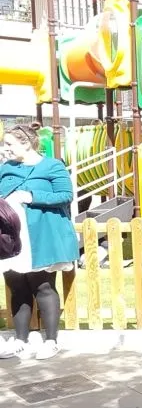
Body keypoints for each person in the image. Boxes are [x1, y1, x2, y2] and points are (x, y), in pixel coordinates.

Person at [0, 124, 79, 360]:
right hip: (12, 238)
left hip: (41, 237)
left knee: (42, 286)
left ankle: (51, 340)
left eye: (9, 144)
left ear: (26, 143)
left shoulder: (52, 166)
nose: (5, 149)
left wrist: (32, 197)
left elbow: (65, 195)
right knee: (17, 286)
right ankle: (20, 340)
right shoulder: (6, 169)